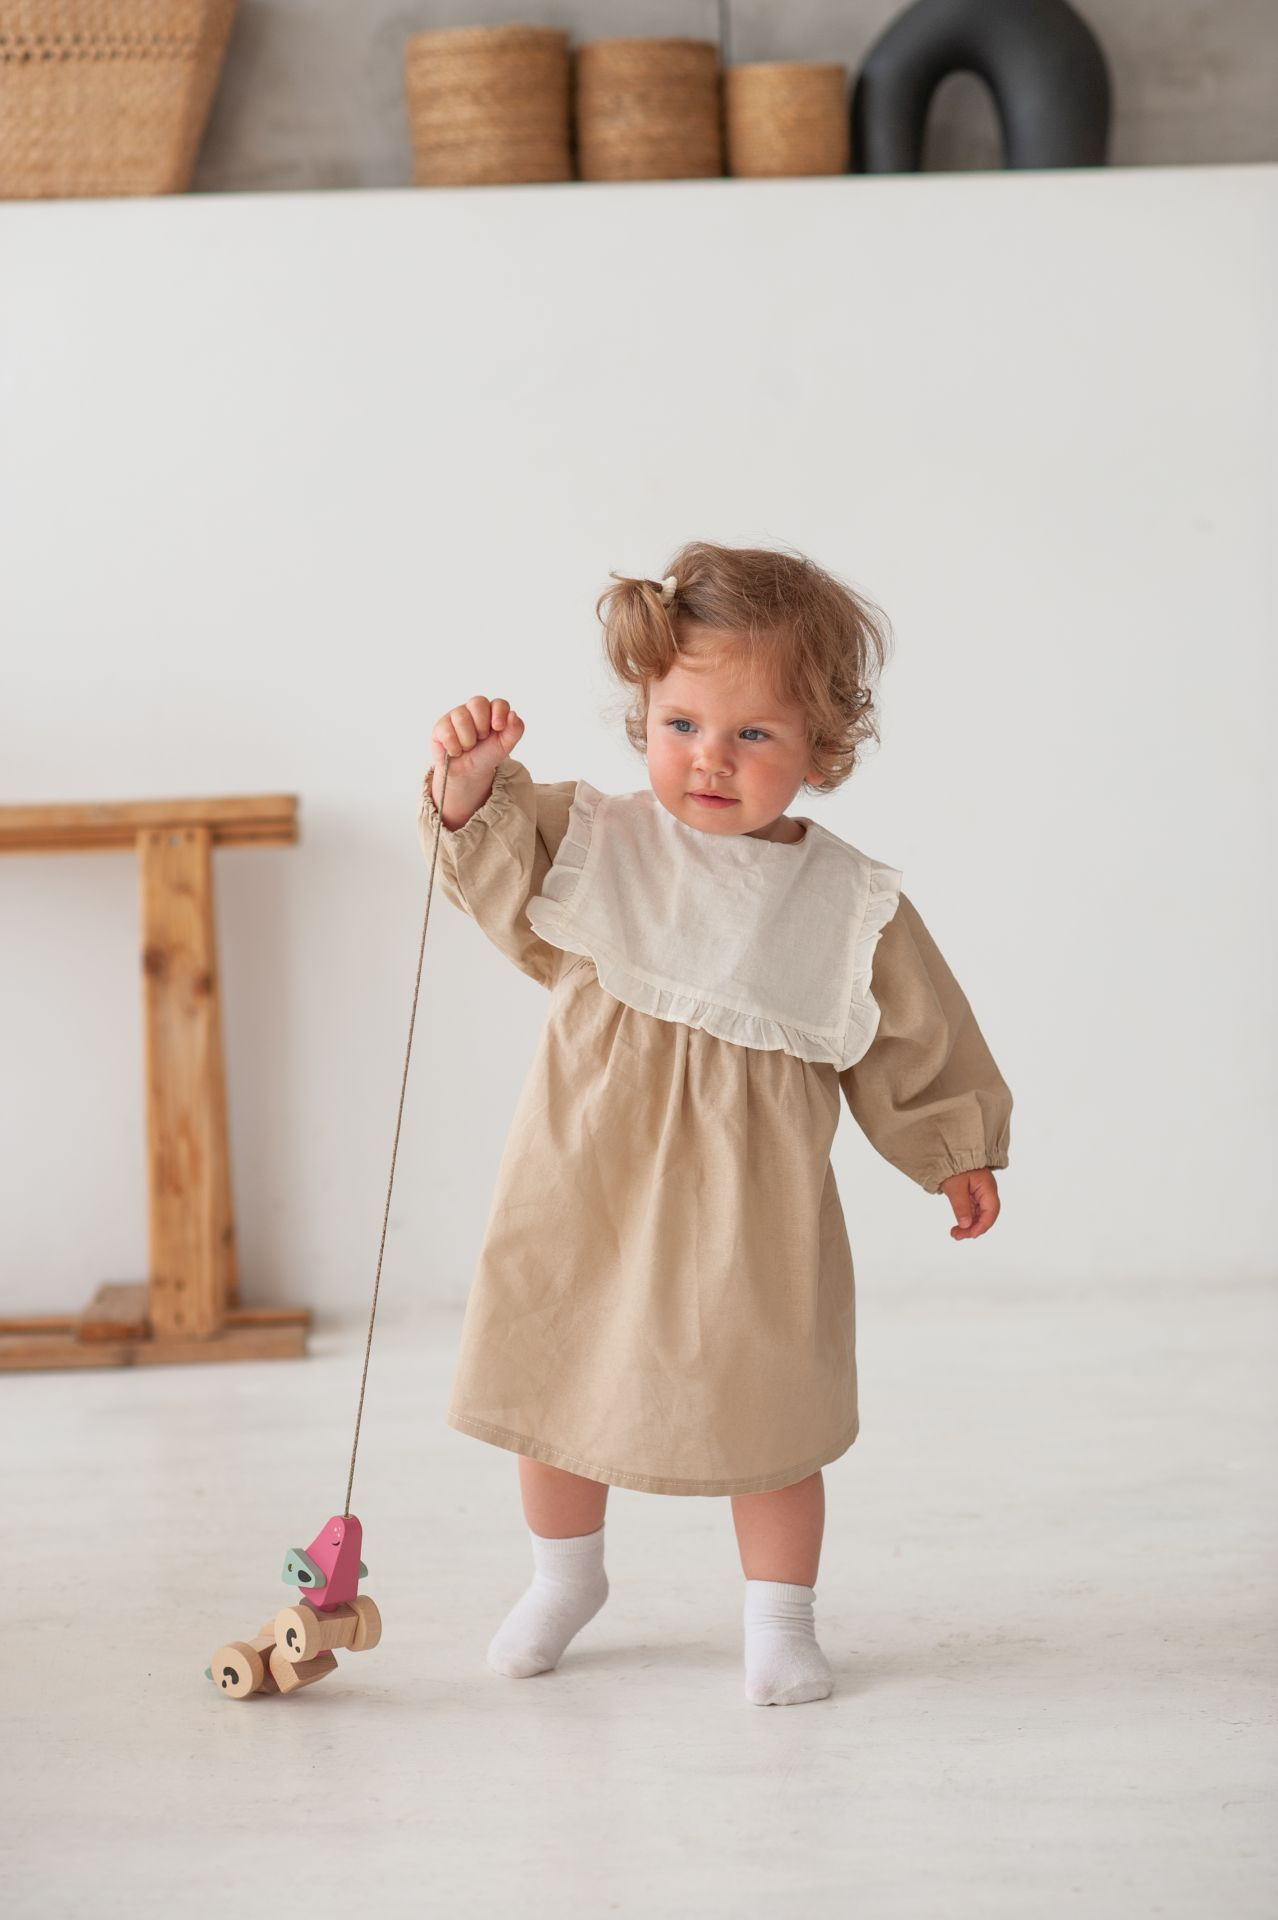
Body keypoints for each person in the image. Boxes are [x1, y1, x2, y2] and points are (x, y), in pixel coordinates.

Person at [418, 540, 1012, 1707]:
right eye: (682, 724)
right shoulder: (597, 840)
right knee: (556, 1379)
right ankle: (564, 1577)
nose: (710, 758)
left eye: (754, 735)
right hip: (585, 1175)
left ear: (821, 749)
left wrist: (953, 1147)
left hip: (750, 1207)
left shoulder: (846, 903)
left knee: (771, 1409)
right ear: (644, 714)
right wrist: (469, 784)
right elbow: (486, 870)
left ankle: (779, 1617)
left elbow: (915, 1030)